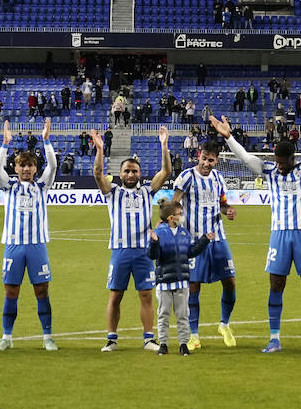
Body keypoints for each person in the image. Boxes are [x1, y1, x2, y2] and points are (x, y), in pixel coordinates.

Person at [211, 106, 301, 353]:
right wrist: (228, 137)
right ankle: (274, 338)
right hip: (279, 235)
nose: (280, 166)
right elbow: (245, 157)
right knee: (276, 285)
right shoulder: (269, 172)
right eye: (277, 162)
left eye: (283, 162)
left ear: (292, 158)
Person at [92, 125, 172, 352]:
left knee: (146, 295)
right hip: (120, 251)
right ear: (120, 174)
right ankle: (111, 339)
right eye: (127, 171)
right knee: (116, 295)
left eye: (134, 171)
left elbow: (165, 172)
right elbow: (98, 174)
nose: (130, 174)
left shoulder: (147, 191)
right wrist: (99, 149)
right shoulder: (112, 193)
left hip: (144, 251)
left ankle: (148, 339)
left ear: (140, 174)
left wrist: (164, 145)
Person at [0, 119, 59, 352]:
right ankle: (6, 337)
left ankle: (47, 336)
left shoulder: (42, 186)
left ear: (35, 169)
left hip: (37, 245)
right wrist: (5, 144)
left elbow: (53, 166)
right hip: (13, 245)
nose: (27, 169)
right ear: (16, 168)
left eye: (31, 165)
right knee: (11, 291)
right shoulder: (8, 186)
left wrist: (46, 140)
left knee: (42, 290)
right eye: (23, 165)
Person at [173, 140, 238, 351]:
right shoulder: (187, 176)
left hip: (218, 238)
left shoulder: (219, 178)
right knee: (193, 287)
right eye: (204, 158)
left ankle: (224, 325)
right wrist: (172, 222)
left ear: (217, 160)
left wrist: (227, 211)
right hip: (194, 240)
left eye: (211, 160)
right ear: (198, 156)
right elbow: (175, 202)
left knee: (230, 282)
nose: (206, 163)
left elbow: (222, 203)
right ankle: (194, 335)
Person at [148, 198, 215, 356]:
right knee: (163, 314)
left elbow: (190, 252)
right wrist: (154, 243)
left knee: (183, 314)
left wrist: (204, 240)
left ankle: (183, 344)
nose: (182, 216)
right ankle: (163, 343)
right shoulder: (159, 233)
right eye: (180, 214)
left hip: (182, 280)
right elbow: (153, 255)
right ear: (171, 218)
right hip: (164, 282)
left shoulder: (184, 232)